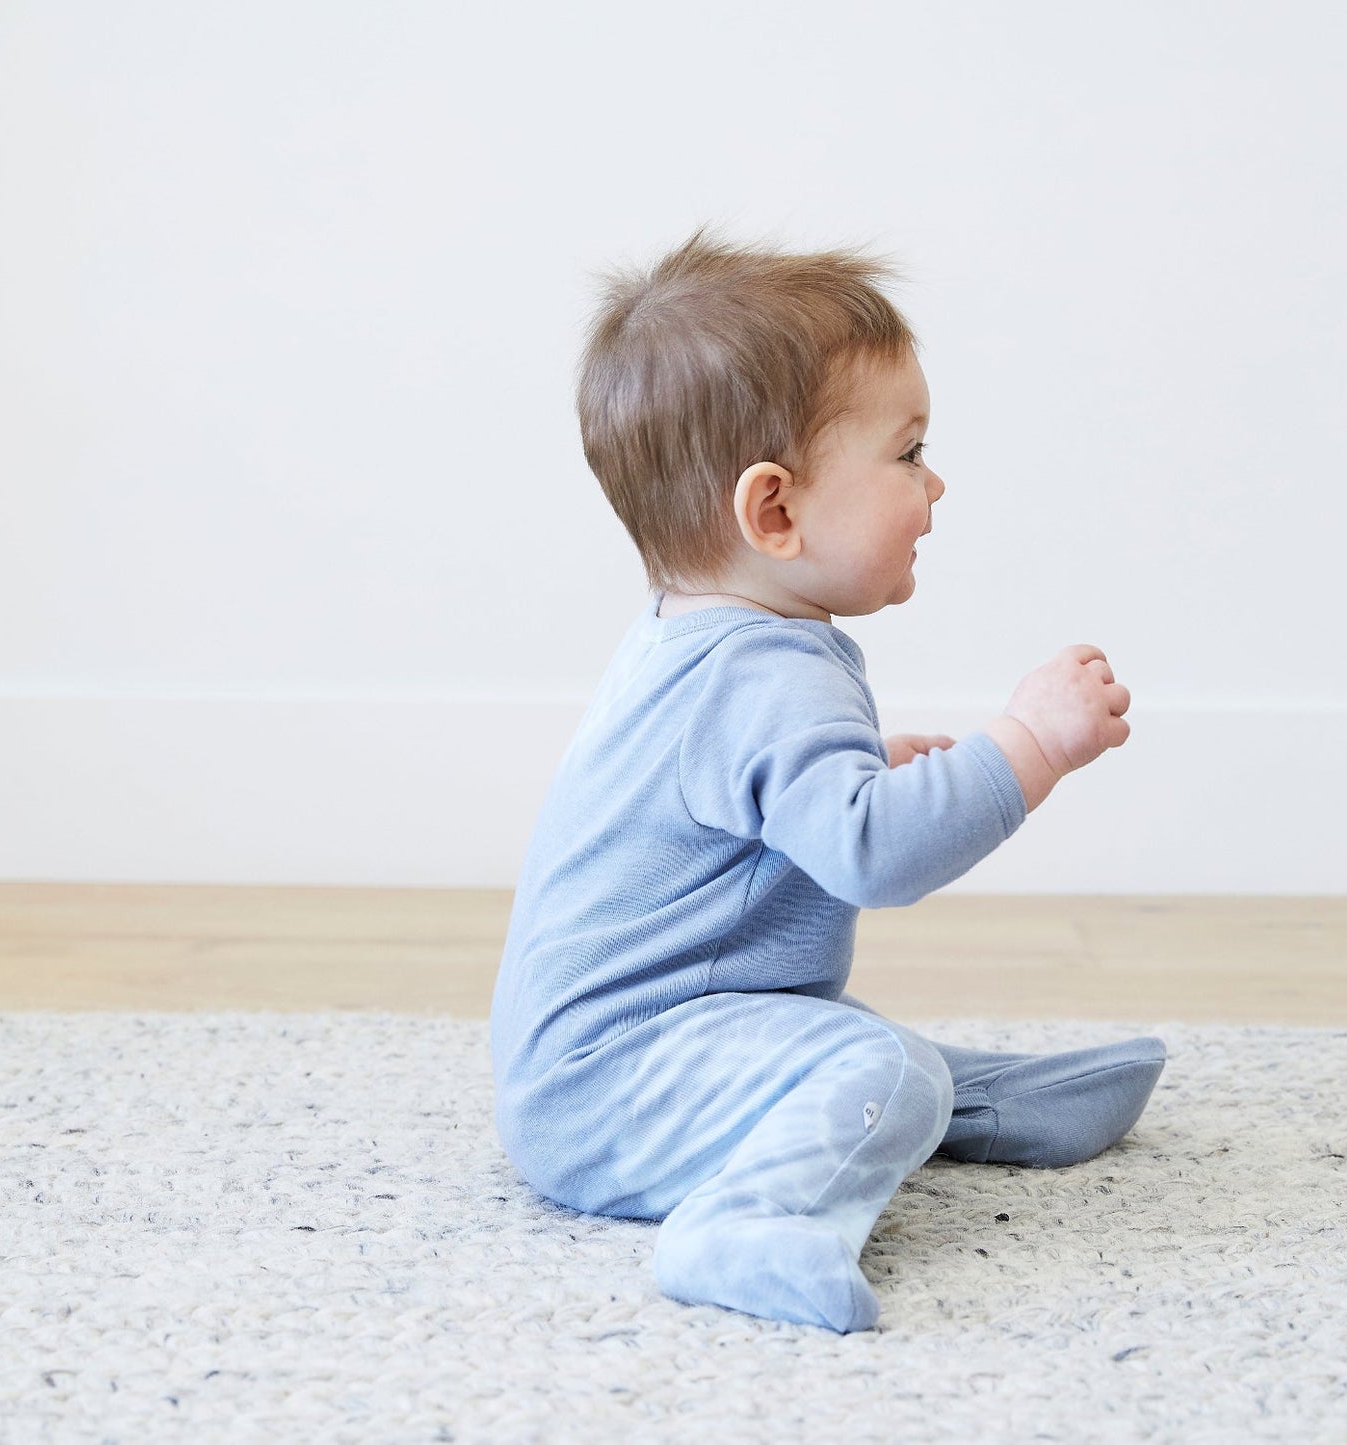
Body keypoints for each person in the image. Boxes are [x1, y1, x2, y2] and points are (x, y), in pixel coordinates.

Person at [489, 229, 1165, 1333]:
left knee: (854, 1053)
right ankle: (746, 1221)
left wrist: (863, 769)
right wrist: (1026, 745)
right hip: (614, 1084)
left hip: (591, 1059)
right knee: (875, 1067)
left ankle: (974, 1099)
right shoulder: (760, 674)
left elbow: (738, 817)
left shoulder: (699, 640)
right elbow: (874, 853)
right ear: (773, 511)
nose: (933, 482)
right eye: (906, 453)